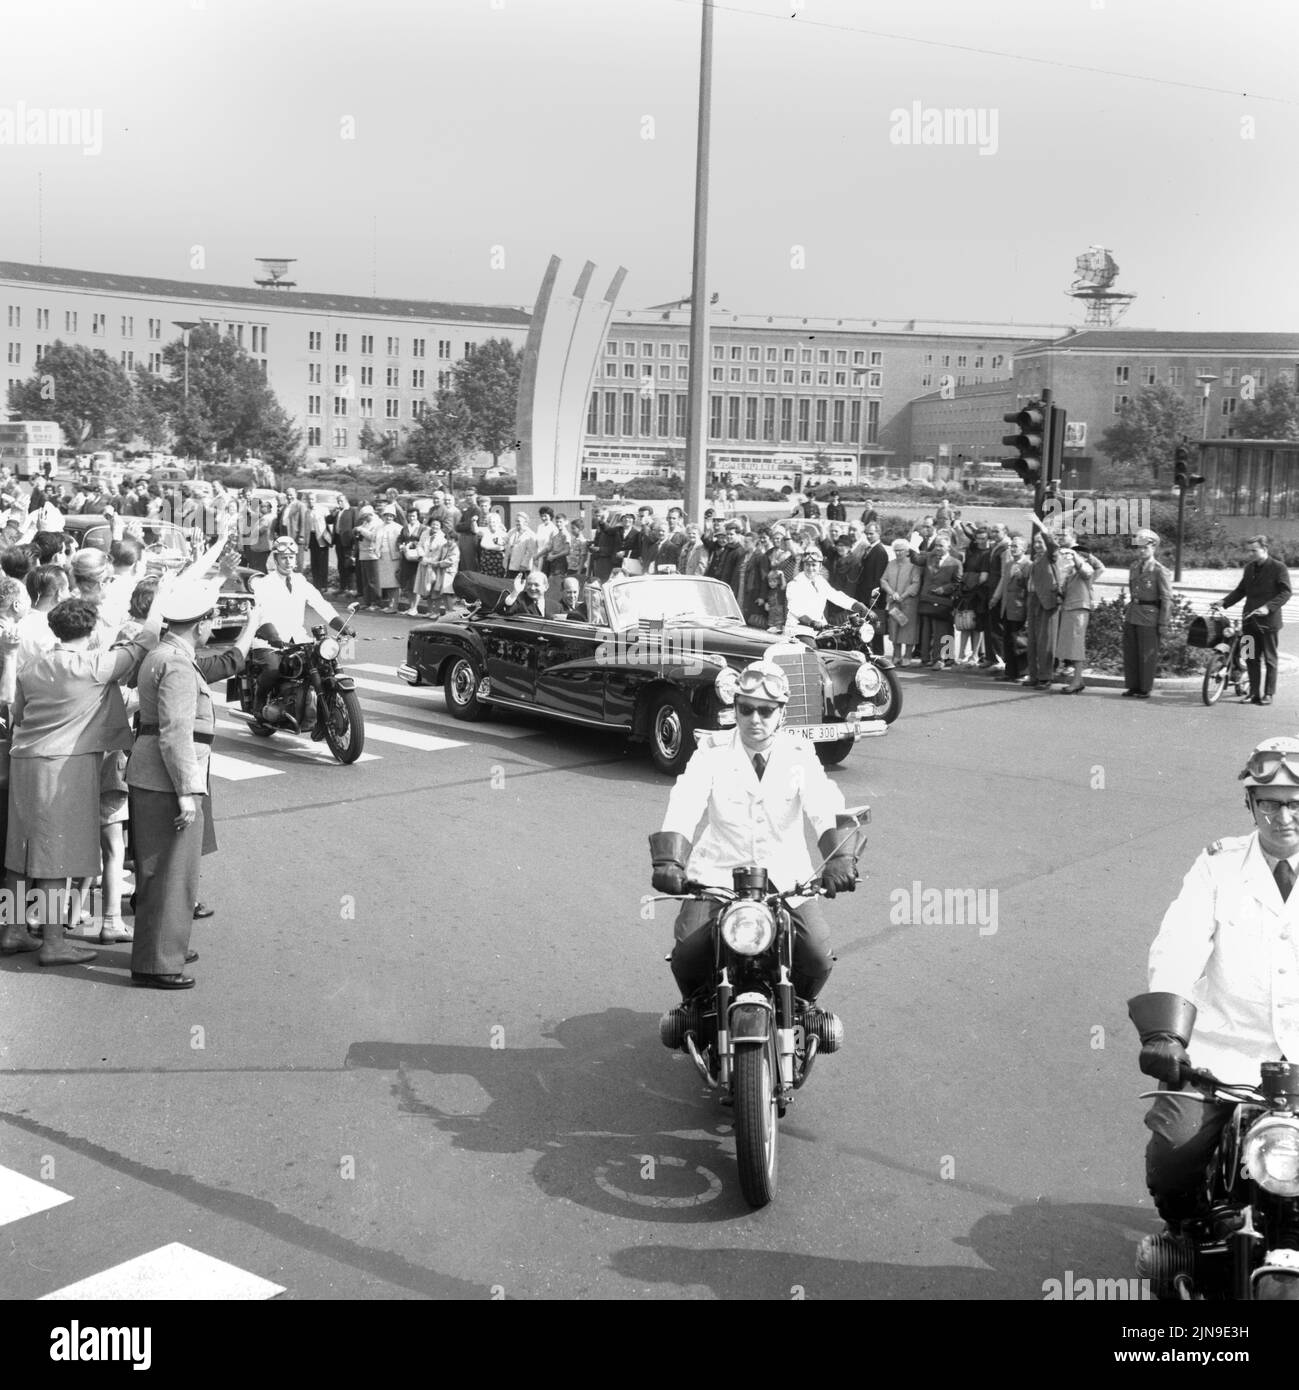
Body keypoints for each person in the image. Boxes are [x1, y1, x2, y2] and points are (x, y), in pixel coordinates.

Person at [1129, 737, 1299, 1259]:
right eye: (1269, 802)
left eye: (1296, 801)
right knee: (1175, 1156)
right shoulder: (1217, 867)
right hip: (1220, 1059)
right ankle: (1193, 1229)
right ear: (1250, 805)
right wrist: (1164, 1034)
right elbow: (1179, 942)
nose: (1284, 816)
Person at [649, 659, 861, 1043]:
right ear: (736, 708)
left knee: (815, 953)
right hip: (716, 875)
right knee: (688, 951)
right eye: (746, 708)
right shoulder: (710, 752)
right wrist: (670, 859)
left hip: (786, 879)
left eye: (765, 710)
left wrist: (841, 858)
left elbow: (823, 803)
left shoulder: (799, 754)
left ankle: (802, 1006)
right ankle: (695, 1009)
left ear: (781, 713)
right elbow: (685, 801)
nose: (754, 719)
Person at [0, 588, 168, 963]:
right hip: (66, 766)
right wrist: (165, 594)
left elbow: (19, 715)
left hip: (25, 761)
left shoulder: (32, 668)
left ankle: (12, 929)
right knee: (55, 853)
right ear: (91, 631)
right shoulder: (96, 665)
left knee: (20, 850)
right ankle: (54, 942)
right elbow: (149, 636)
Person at [125, 576, 230, 988]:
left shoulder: (163, 652)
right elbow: (175, 734)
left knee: (163, 871)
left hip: (155, 774)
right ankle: (158, 963)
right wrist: (188, 793)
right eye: (210, 621)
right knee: (170, 872)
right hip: (168, 779)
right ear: (201, 623)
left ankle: (164, 945)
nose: (210, 628)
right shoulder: (177, 664)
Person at [248, 538, 351, 718]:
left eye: (291, 557)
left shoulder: (300, 580)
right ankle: (259, 700)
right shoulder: (264, 583)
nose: (288, 562)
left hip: (299, 639)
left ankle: (315, 709)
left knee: (324, 665)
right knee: (273, 669)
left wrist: (341, 625)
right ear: (276, 559)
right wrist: (272, 634)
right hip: (270, 641)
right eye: (283, 558)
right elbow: (261, 611)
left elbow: (321, 604)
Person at [1218, 534, 1292, 706]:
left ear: (1264, 549)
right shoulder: (1249, 568)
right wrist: (1224, 602)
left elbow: (1286, 592)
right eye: (1248, 551)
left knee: (1270, 659)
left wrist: (1268, 607)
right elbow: (1241, 590)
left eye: (1254, 550)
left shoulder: (1278, 568)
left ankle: (1268, 694)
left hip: (1268, 623)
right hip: (1249, 621)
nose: (1250, 554)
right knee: (1250, 658)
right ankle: (1253, 693)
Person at [1049, 528, 1105, 694]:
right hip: (1070, 606)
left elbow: (1090, 571)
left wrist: (1075, 557)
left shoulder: (1082, 567)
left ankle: (1077, 681)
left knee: (1076, 644)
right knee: (1071, 644)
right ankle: (1077, 680)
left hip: (1079, 607)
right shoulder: (1071, 571)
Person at [1122, 528, 1173, 699]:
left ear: (1154, 548)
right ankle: (1132, 686)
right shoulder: (1134, 567)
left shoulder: (1160, 570)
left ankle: (1144, 688)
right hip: (1133, 613)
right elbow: (1132, 590)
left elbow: (1166, 598)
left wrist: (1163, 623)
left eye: (1145, 547)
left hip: (1150, 616)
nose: (1141, 551)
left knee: (1147, 654)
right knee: (1131, 652)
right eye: (1139, 548)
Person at [915, 531, 963, 668]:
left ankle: (941, 659)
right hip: (926, 599)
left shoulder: (956, 563)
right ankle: (925, 659)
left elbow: (958, 583)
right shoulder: (929, 558)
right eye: (936, 545)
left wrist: (944, 589)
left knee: (942, 631)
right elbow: (916, 559)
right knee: (926, 630)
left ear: (948, 547)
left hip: (943, 602)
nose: (938, 548)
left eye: (941, 546)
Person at [786, 548, 865, 629]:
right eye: (807, 565)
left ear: (820, 566)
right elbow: (795, 608)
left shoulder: (820, 581)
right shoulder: (794, 584)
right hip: (798, 628)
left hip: (819, 628)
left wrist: (857, 605)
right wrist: (810, 622)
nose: (810, 568)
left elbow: (836, 596)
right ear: (803, 566)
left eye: (813, 565)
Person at [1023, 531, 1061, 689]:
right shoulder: (1036, 558)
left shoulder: (1051, 556)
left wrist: (1040, 526)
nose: (1037, 545)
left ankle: (1045, 677)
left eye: (1040, 542)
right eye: (1035, 542)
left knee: (1046, 641)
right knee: (1032, 640)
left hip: (1047, 602)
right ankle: (1033, 674)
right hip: (1033, 600)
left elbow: (1052, 545)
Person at [880, 538, 920, 663]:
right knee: (894, 628)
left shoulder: (914, 565)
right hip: (893, 602)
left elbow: (916, 583)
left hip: (909, 603)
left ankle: (907, 656)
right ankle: (896, 655)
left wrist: (903, 595)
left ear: (907, 551)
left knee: (908, 629)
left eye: (901, 550)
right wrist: (892, 593)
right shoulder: (891, 563)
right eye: (896, 551)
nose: (898, 553)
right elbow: (883, 580)